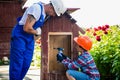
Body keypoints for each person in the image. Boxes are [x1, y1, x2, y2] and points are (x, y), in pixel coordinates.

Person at [9, 0, 67, 80]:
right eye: (54, 13)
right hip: (20, 36)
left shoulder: (44, 14)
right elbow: (26, 28)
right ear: (51, 7)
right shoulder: (36, 8)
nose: (53, 15)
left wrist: (36, 35)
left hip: (29, 38)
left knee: (26, 63)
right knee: (18, 62)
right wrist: (37, 32)